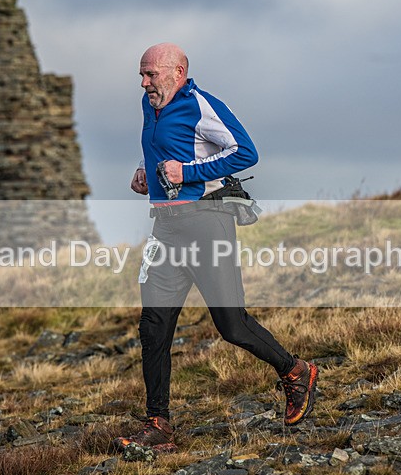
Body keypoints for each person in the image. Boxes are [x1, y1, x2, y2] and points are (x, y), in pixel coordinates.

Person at [115, 43, 318, 452]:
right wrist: (143, 171)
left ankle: (296, 372)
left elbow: (246, 152)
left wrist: (187, 171)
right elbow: (156, 143)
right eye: (142, 74)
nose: (143, 82)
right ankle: (159, 426)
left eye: (151, 74)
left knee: (231, 325)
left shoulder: (202, 105)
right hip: (167, 230)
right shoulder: (148, 103)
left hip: (208, 223)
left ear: (177, 71)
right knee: (153, 327)